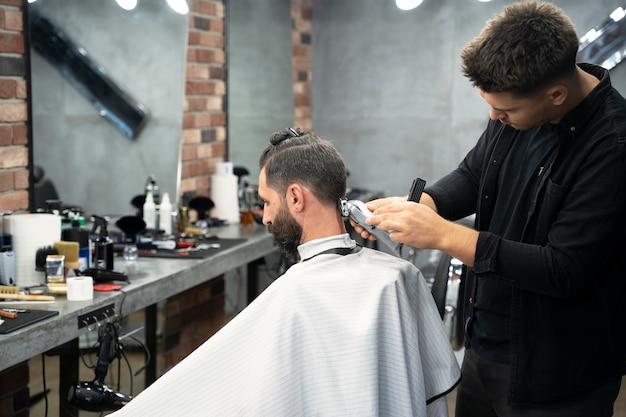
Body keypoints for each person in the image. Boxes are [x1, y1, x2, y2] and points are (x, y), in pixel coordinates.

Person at [353, 1, 626, 416]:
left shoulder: (612, 145)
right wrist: (425, 203)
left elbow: (561, 268)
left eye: (506, 110)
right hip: (485, 345)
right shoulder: (514, 107)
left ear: (556, 95)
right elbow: (475, 174)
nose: (495, 116)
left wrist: (444, 234)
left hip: (559, 374)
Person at [109, 129, 460, 417]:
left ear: (295, 197)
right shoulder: (397, 274)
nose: (263, 216)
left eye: (266, 202)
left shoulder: (296, 292)